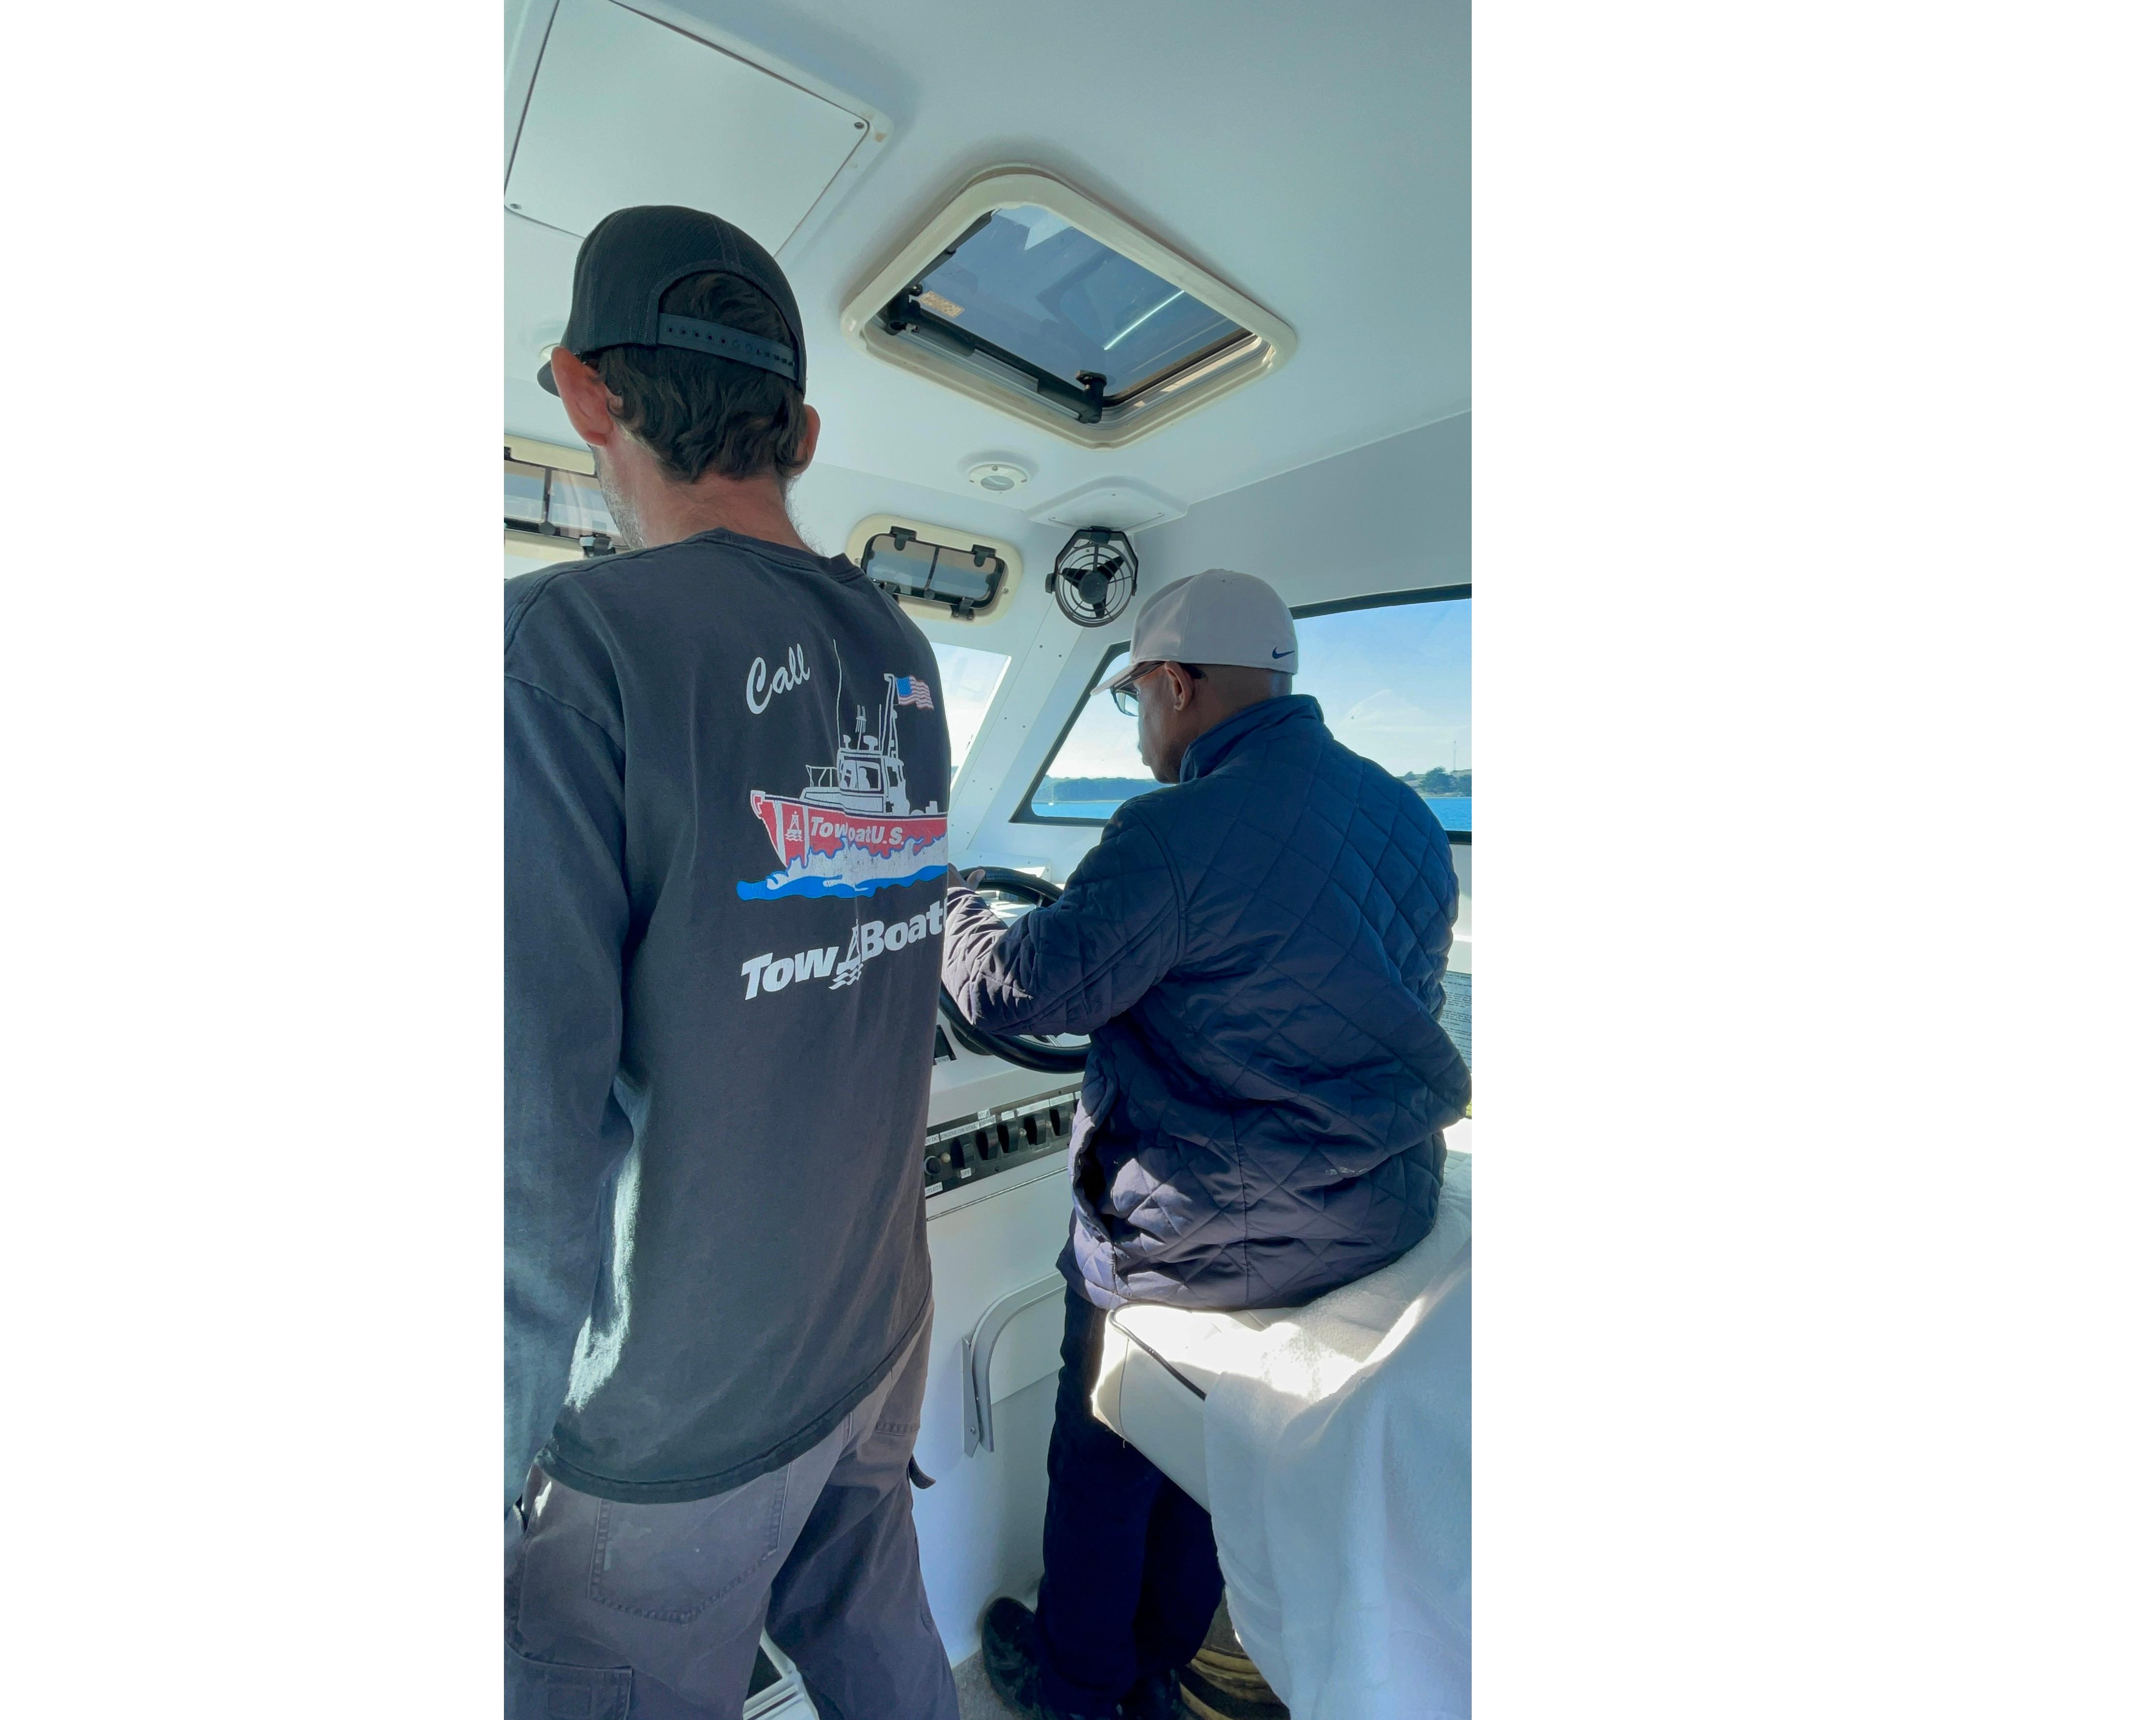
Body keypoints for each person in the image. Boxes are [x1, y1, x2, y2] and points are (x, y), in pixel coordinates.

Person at [506, 204, 960, 1720]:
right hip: (876, 1324)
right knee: (885, 1651)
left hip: (673, 1419)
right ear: (805, 434)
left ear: (583, 391)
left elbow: (524, 1126)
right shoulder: (904, 658)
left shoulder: (560, 649)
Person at [939, 569, 1471, 1720]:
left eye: (1137, 698)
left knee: (1101, 1461)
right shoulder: (1407, 819)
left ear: (1179, 685)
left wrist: (956, 912)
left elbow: (1018, 990)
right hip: (1373, 1218)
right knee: (1208, 1473)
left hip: (1204, 1244)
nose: (1138, 727)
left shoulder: (1169, 830)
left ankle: (1081, 1686)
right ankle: (1164, 1665)